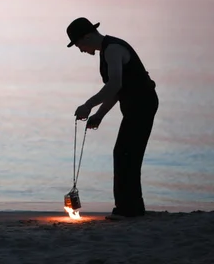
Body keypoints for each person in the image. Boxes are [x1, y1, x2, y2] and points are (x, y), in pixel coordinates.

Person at [66, 17, 159, 221]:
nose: (81, 50)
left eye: (79, 45)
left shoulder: (113, 49)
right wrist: (99, 115)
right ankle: (133, 207)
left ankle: (128, 210)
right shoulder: (105, 51)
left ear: (88, 37)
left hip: (142, 104)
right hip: (134, 105)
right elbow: (116, 90)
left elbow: (115, 85)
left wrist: (88, 105)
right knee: (126, 153)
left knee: (126, 154)